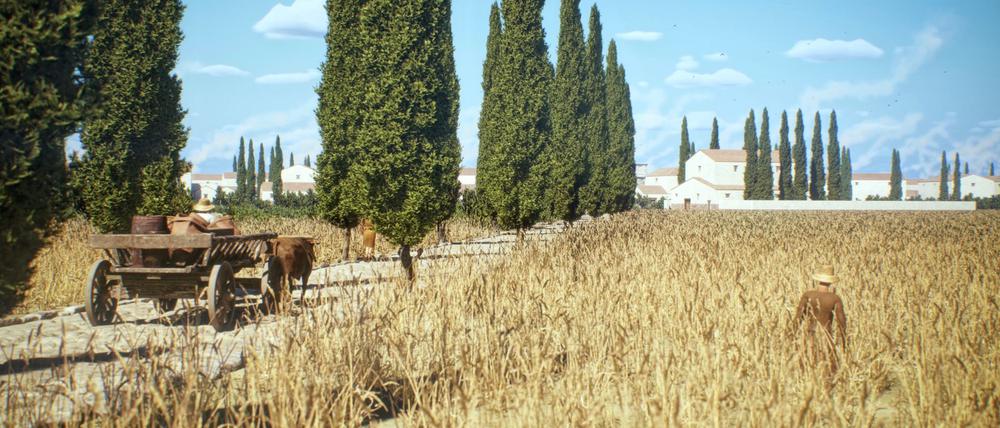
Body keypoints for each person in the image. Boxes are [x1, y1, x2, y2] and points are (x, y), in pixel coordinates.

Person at [794, 265, 848, 377]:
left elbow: (798, 318)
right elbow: (841, 322)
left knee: (805, 365)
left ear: (818, 279)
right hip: (826, 336)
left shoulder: (807, 295)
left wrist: (792, 334)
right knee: (829, 369)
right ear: (831, 282)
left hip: (809, 335)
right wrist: (844, 341)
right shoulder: (834, 298)